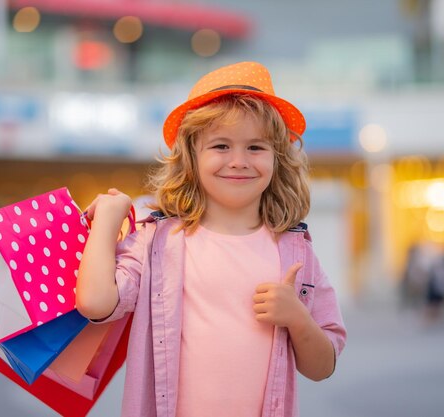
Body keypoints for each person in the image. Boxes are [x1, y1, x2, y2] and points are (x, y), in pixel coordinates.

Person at [76, 61, 347, 417]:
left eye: (256, 148)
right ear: (192, 157)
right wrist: (107, 222)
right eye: (220, 146)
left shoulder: (295, 250)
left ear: (278, 159)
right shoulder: (158, 241)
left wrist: (297, 318)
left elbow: (321, 366)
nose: (238, 161)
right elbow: (95, 303)